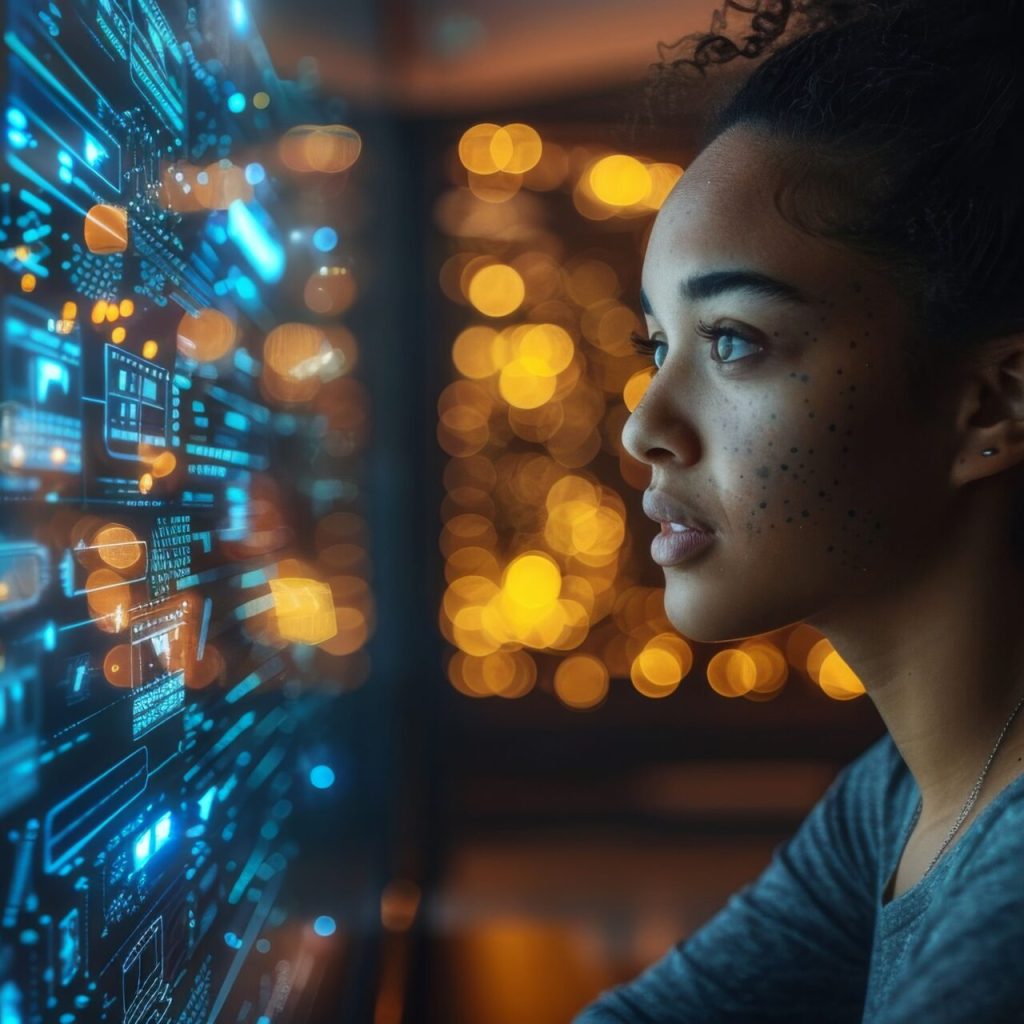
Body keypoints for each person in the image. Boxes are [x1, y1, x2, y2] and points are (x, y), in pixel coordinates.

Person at [573, 0, 1024, 1020]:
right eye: (659, 344)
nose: (645, 425)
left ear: (992, 405)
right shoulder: (902, 796)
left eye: (731, 339)